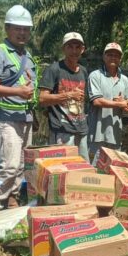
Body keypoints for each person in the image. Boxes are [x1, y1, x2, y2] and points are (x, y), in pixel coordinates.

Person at [0, 5, 38, 208]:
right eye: (17, 28)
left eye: (25, 29)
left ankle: (12, 198)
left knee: (22, 164)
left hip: (25, 117)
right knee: (10, 165)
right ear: (7, 28)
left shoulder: (27, 56)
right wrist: (18, 92)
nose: (22, 33)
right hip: (5, 117)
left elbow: (30, 89)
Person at [39, 32, 89, 161]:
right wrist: (69, 95)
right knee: (63, 168)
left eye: (78, 47)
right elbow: (42, 99)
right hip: (61, 130)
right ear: (63, 49)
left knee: (83, 168)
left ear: (82, 49)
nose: (74, 51)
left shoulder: (83, 71)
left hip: (81, 129)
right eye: (70, 47)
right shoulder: (54, 69)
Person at [87, 42, 128, 160]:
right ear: (104, 57)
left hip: (115, 134)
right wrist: (120, 103)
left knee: (113, 169)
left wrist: (126, 106)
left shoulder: (125, 80)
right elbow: (97, 101)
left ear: (120, 59)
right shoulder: (95, 76)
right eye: (110, 54)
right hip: (97, 133)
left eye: (116, 55)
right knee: (95, 171)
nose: (113, 57)